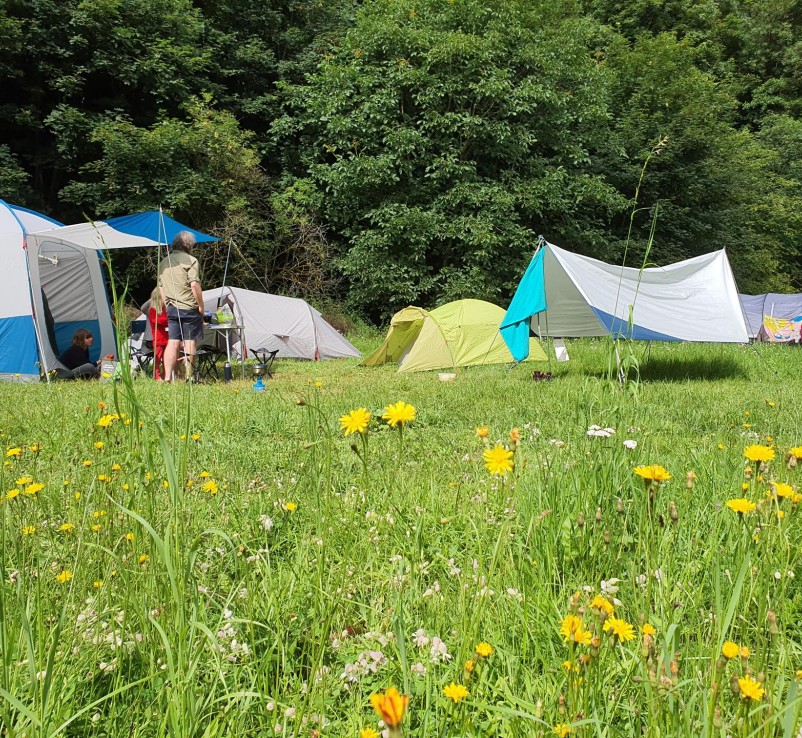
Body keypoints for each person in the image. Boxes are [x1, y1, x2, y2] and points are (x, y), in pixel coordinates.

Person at [158, 231, 204, 381]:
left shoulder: (164, 262)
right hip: (189, 308)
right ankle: (189, 377)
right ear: (189, 245)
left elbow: (161, 287)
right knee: (190, 341)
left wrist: (168, 304)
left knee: (173, 342)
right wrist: (201, 306)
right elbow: (194, 285)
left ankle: (167, 378)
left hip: (172, 308)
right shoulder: (191, 260)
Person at [147, 286, 169, 381]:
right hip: (158, 338)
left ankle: (166, 373)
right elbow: (158, 321)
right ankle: (157, 375)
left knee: (166, 357)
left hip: (167, 337)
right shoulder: (153, 310)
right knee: (157, 358)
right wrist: (170, 319)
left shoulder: (165, 309)